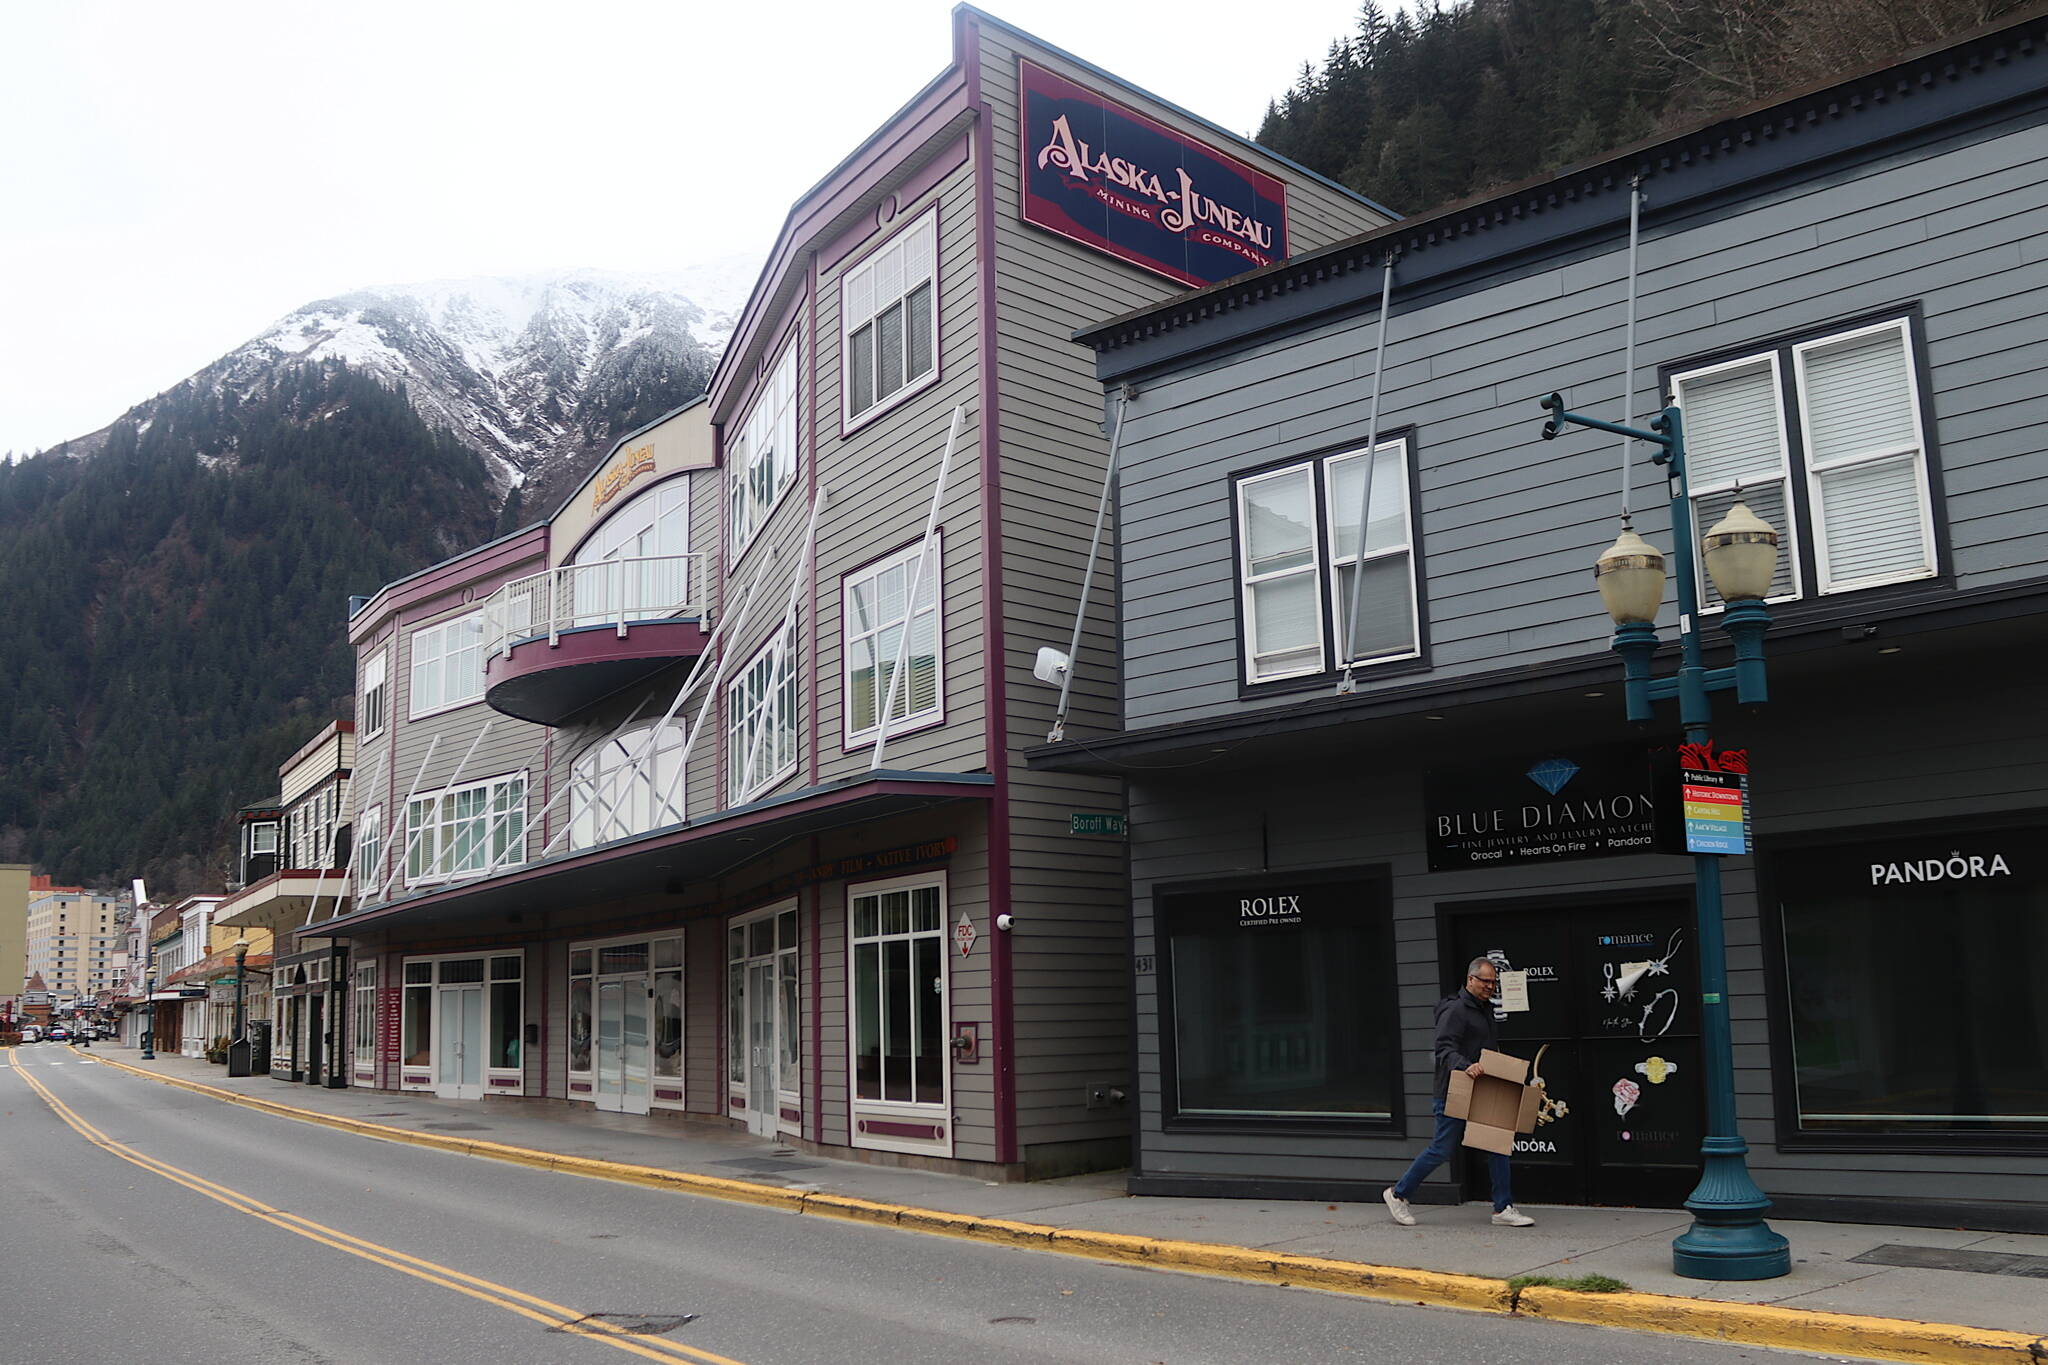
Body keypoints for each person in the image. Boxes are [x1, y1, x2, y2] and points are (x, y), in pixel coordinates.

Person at [1383, 956, 1536, 1227]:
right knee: (1442, 1149)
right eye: (1485, 981)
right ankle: (1398, 1194)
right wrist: (1467, 1066)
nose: (1490, 987)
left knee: (1497, 1146)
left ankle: (1503, 1208)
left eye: (1493, 982)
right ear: (1470, 980)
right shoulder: (1455, 1010)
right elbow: (1443, 1049)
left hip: (1486, 1088)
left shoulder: (1484, 1009)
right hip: (1455, 1089)